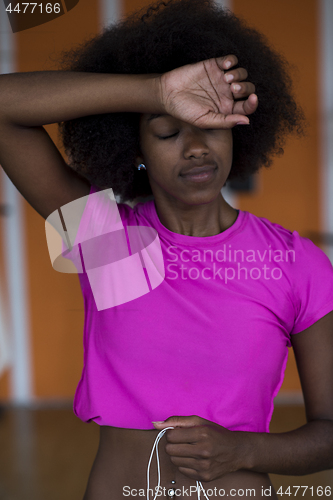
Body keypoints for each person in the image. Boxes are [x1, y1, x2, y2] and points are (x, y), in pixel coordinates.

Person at [0, 0, 333, 499]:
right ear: (135, 150)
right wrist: (156, 91)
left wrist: (244, 451)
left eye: (211, 125)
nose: (195, 148)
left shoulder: (294, 263)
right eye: (168, 130)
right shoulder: (111, 245)